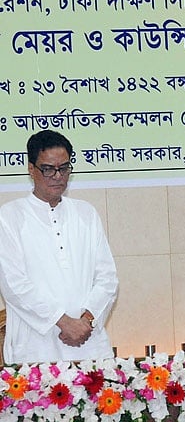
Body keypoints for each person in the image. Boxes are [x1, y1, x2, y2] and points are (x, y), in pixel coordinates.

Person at [0, 130, 119, 363]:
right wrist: (64, 322)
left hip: (89, 343)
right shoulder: (9, 217)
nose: (57, 176)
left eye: (64, 168)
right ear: (31, 169)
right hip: (36, 348)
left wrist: (86, 321)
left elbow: (107, 278)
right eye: (48, 169)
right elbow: (14, 286)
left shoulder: (85, 213)